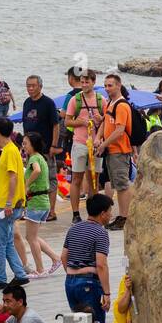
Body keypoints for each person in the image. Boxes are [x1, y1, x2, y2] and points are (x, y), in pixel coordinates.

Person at [61, 193, 113, 323]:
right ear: (102, 214)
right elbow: (101, 265)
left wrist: (72, 273)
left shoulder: (73, 229)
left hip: (70, 283)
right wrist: (106, 293)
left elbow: (63, 256)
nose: (111, 215)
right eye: (109, 212)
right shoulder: (100, 232)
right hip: (88, 283)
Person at [0, 118, 29, 289]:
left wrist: (8, 203)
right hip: (12, 203)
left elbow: (12, 177)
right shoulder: (10, 149)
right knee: (8, 242)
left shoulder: (10, 151)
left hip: (7, 204)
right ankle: (20, 274)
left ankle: (0, 278)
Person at [64, 69, 104, 222]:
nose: (85, 85)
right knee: (76, 179)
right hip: (80, 142)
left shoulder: (101, 100)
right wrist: (80, 122)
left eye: (87, 82)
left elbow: (105, 122)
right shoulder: (76, 99)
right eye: (82, 82)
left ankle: (92, 214)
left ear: (94, 82)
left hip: (96, 144)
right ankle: (75, 214)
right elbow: (67, 121)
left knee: (94, 179)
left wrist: (100, 121)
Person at [21, 132, 62, 277]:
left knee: (30, 238)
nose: (23, 146)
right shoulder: (42, 158)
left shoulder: (34, 158)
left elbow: (36, 170)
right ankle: (56, 258)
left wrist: (26, 185)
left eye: (26, 143)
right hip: (43, 202)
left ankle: (40, 269)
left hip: (36, 202)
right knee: (33, 236)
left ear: (33, 145)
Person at [20, 75, 60, 219]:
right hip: (30, 149)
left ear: (40, 86)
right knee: (31, 177)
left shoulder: (48, 103)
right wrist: (24, 145)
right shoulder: (26, 103)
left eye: (33, 85)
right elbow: (25, 125)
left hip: (46, 148)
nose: (30, 88)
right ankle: (32, 208)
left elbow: (56, 125)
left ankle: (52, 211)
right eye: (28, 86)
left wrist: (54, 145)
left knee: (49, 178)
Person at [98, 74, 134, 230]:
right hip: (112, 150)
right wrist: (99, 137)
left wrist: (103, 144)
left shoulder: (122, 105)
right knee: (118, 184)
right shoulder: (110, 103)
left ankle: (125, 217)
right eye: (105, 85)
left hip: (120, 149)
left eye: (110, 85)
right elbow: (105, 122)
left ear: (119, 86)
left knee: (122, 185)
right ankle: (122, 216)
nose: (107, 88)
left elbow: (120, 130)